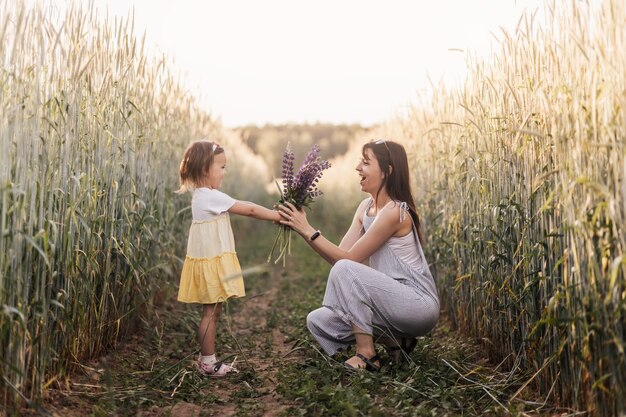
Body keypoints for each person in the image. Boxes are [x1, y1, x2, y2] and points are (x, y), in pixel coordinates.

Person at [278, 139, 439, 371]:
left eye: (365, 162)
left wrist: (307, 229)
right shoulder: (365, 208)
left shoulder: (395, 211)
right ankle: (397, 341)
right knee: (318, 321)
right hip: (389, 302)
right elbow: (339, 255)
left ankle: (366, 355)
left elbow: (347, 262)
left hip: (417, 305)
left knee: (345, 268)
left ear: (387, 171)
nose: (357, 168)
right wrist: (305, 229)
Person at [177, 140, 282, 377]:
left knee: (213, 311)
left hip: (210, 260)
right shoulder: (209, 197)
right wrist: (278, 215)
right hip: (211, 262)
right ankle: (207, 362)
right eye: (221, 167)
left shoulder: (204, 195)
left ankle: (206, 358)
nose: (225, 172)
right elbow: (250, 209)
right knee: (210, 313)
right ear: (205, 169)